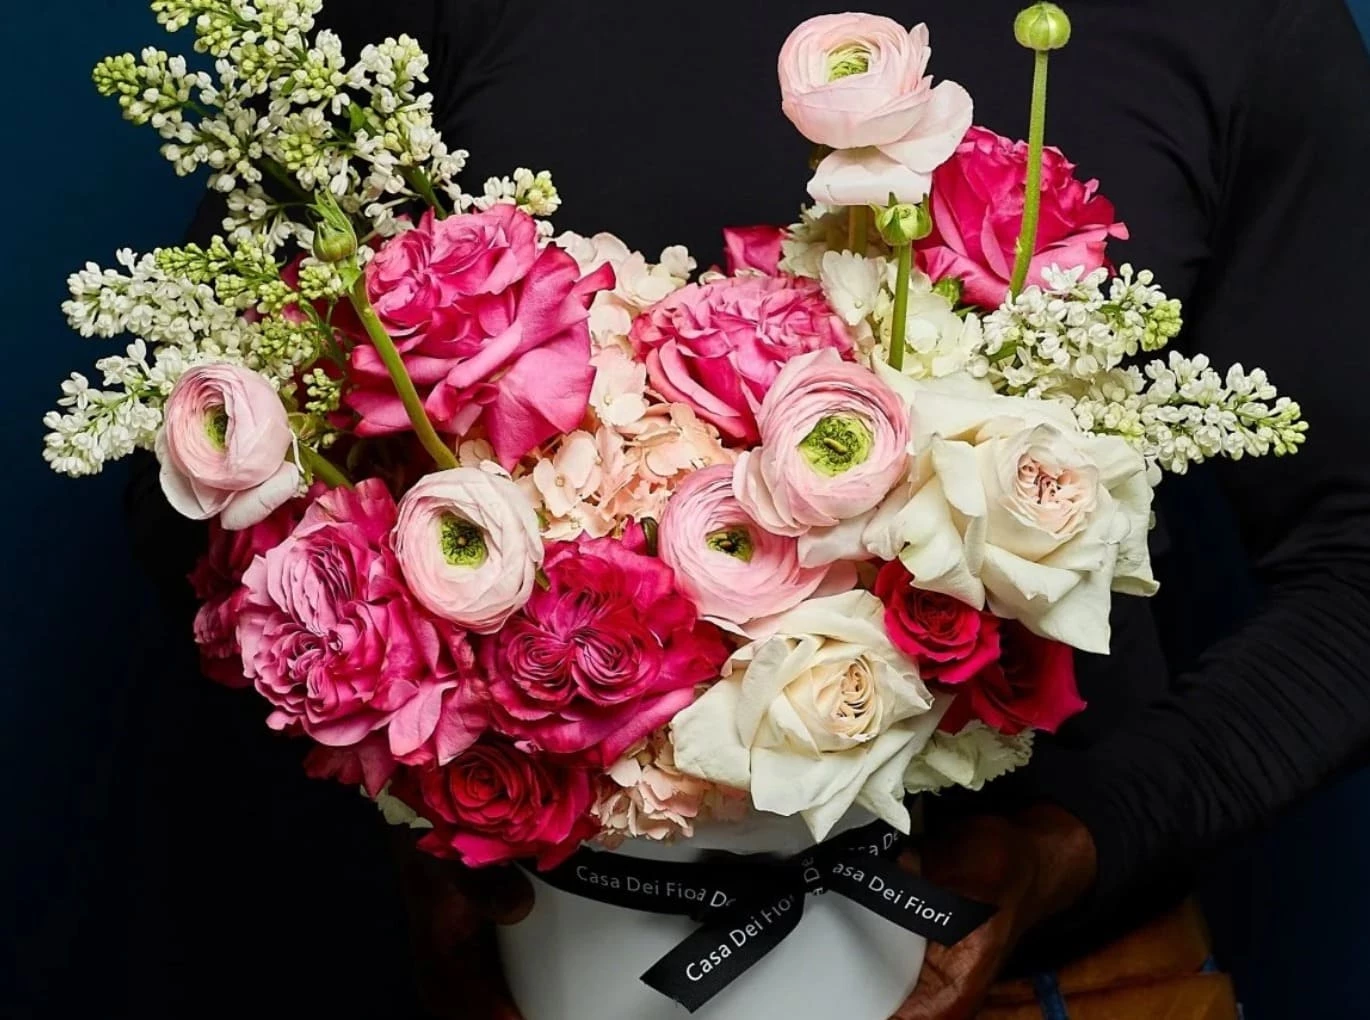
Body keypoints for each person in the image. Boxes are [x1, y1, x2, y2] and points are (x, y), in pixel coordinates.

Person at [126, 0, 1370, 1017]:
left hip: (1053, 979)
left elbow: (1357, 562)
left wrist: (1068, 849)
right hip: (562, 962)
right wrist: (438, 806)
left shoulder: (1236, 23)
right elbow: (209, 478)